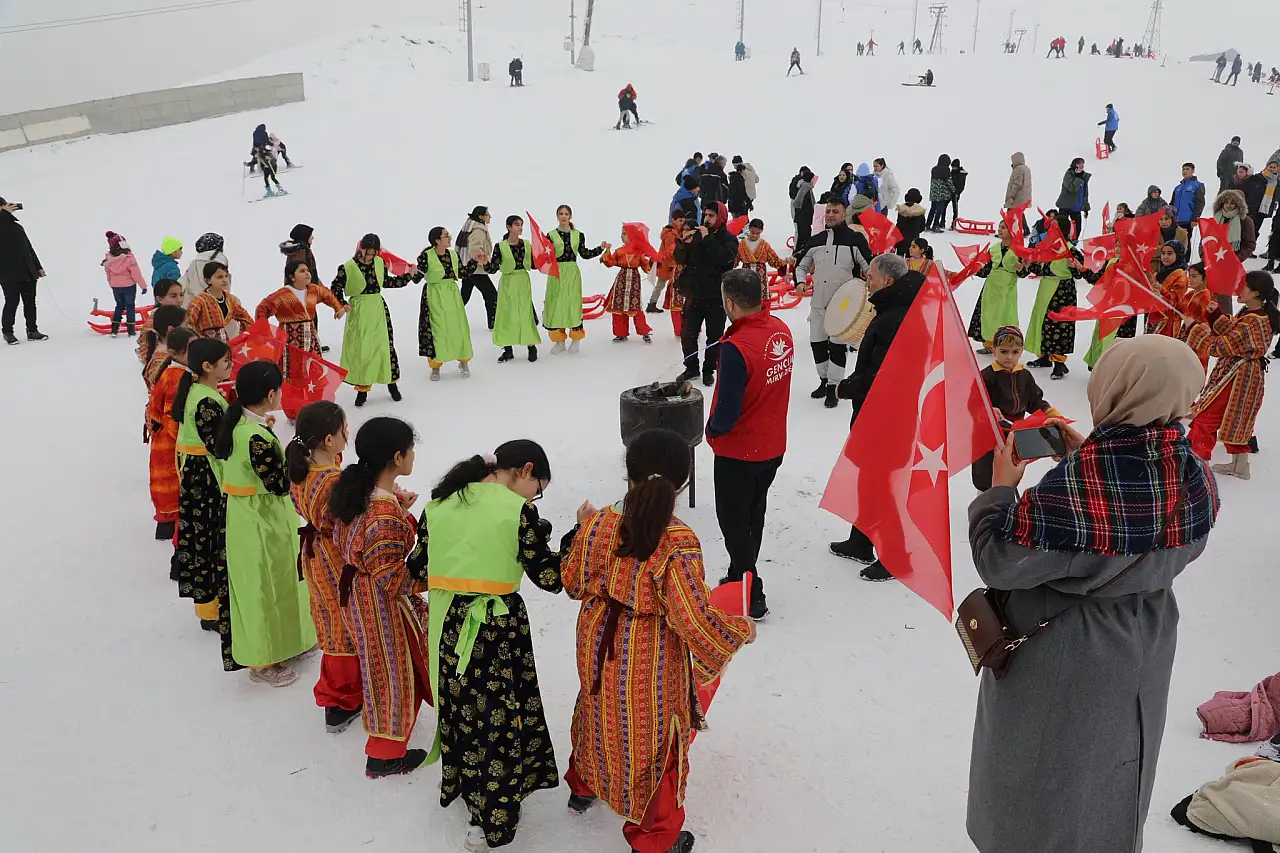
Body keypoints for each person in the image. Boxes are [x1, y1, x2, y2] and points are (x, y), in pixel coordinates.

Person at [966, 334, 1219, 853]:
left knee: (1041, 771)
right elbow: (1149, 523)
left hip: (1065, 646)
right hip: (1147, 637)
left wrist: (999, 489)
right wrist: (1087, 453)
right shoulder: (1194, 474)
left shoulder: (1077, 488)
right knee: (1118, 763)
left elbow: (998, 560)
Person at [562, 428, 755, 853]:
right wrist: (739, 629)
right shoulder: (677, 540)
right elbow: (692, 617)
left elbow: (572, 581)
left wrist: (580, 532)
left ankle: (584, 786)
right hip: (647, 650)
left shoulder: (598, 523)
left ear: (628, 470)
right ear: (681, 482)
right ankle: (653, 840)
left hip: (596, 635)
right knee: (652, 736)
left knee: (598, 708)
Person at [410, 441, 577, 851]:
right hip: (497, 627)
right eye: (538, 488)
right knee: (499, 717)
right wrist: (578, 533)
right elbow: (552, 577)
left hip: (449, 622)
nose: (534, 496)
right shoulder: (517, 511)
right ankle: (495, 814)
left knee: (463, 710)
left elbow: (417, 567)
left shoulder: (439, 506)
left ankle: (469, 791)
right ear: (526, 470)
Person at [329, 416, 432, 778]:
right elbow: (393, 579)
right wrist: (434, 580)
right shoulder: (382, 512)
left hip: (358, 592)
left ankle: (386, 745)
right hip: (379, 602)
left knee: (382, 669)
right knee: (391, 672)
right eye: (411, 450)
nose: (413, 456)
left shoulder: (357, 493)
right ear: (397, 457)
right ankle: (384, 755)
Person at [212, 360, 316, 686]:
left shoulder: (241, 425)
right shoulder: (254, 437)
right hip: (260, 519)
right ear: (271, 394)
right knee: (263, 586)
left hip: (250, 514)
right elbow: (279, 483)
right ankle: (263, 659)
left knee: (279, 579)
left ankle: (287, 642)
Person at [830, 254, 924, 579]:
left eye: (871, 276)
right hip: (881, 415)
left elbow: (886, 377)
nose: (866, 280)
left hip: (888, 419)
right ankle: (861, 541)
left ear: (887, 281)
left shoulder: (896, 319)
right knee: (869, 480)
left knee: (881, 486)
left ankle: (897, 557)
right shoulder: (893, 311)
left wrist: (847, 387)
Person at [707, 268, 793, 619]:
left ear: (730, 303)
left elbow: (727, 411)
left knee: (733, 521)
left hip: (739, 450)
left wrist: (713, 430)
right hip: (771, 444)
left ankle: (752, 590)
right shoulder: (780, 330)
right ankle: (738, 573)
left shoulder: (736, 348)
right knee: (753, 514)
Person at [285, 401, 363, 735]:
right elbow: (349, 525)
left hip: (315, 554)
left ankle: (338, 695)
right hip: (336, 557)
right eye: (344, 430)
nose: (347, 435)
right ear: (329, 440)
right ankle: (343, 700)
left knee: (329, 619)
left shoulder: (303, 470)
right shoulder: (332, 482)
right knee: (346, 622)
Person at [1187, 271, 1280, 478]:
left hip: (1237, 376)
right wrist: (1216, 315)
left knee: (1206, 418)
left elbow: (1221, 346)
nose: (1238, 289)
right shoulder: (1254, 313)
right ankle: (1240, 466)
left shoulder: (1253, 321)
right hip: (1244, 374)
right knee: (1236, 419)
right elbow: (1234, 332)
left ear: (1255, 293)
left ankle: (1198, 468)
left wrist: (1194, 328)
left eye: (1243, 285)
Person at [171, 338, 233, 644]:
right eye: (225, 362)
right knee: (210, 540)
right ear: (207, 366)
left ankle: (209, 607)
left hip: (196, 475)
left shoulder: (198, 391)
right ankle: (213, 609)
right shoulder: (206, 401)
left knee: (202, 539)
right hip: (206, 479)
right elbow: (220, 446)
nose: (230, 366)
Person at [792, 195, 872, 408]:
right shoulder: (815, 240)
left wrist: (870, 287)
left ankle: (833, 388)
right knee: (817, 344)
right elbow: (801, 266)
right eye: (828, 211)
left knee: (837, 346)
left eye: (835, 211)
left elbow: (869, 268)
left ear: (844, 214)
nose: (830, 215)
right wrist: (800, 282)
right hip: (818, 303)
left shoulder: (855, 240)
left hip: (843, 306)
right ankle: (823, 380)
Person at [971, 326, 1059, 491]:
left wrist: (1050, 412)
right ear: (993, 349)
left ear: (1021, 351)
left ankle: (1006, 495)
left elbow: (1035, 401)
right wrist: (987, 411)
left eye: (1015, 352)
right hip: (990, 434)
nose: (1009, 357)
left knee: (1010, 469)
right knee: (987, 473)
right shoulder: (986, 376)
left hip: (1014, 433)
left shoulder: (1024, 375)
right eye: (1003, 351)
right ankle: (984, 500)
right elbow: (973, 404)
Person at [255, 260, 346, 419]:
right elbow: (262, 309)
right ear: (292, 276)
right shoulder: (281, 295)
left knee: (315, 373)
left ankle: (315, 406)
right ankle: (294, 411)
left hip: (311, 340)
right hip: (290, 344)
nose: (307, 273)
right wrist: (263, 331)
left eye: (307, 270)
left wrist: (337, 308)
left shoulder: (313, 290)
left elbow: (327, 295)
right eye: (302, 271)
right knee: (293, 377)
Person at [334, 234, 417, 407]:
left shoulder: (379, 263)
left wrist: (407, 276)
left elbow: (387, 282)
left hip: (378, 309)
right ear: (361, 249)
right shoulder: (347, 267)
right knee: (363, 349)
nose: (370, 256)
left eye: (374, 253)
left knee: (384, 346)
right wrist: (341, 303)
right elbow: (335, 288)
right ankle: (362, 389)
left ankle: (391, 384)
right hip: (359, 311)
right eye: (368, 252)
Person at [674, 201, 738, 385]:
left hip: (717, 297)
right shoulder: (697, 236)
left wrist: (707, 238)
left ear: (721, 217)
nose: (707, 219)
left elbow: (725, 259)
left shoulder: (729, 239)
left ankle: (709, 369)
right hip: (694, 295)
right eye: (706, 215)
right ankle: (691, 367)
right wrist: (682, 244)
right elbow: (680, 260)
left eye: (711, 215)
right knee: (688, 335)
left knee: (714, 337)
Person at [146, 327, 196, 542]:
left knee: (166, 485)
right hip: (171, 443)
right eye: (191, 349)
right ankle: (170, 529)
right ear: (175, 353)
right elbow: (171, 417)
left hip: (164, 440)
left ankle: (167, 526)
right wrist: (187, 442)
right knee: (173, 484)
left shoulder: (174, 372)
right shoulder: (177, 377)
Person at [1023, 215, 1083, 379]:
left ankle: (1059, 363)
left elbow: (1080, 273)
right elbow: (1042, 269)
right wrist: (1029, 264)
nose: (1051, 230)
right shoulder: (1048, 248)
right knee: (1042, 321)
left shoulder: (1070, 250)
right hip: (1046, 288)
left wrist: (1074, 267)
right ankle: (1044, 356)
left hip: (1063, 291)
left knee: (1059, 325)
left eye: (1054, 227)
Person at [542, 205, 607, 353]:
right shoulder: (550, 235)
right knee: (556, 305)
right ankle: (559, 341)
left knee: (572, 305)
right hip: (556, 273)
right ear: (557, 216)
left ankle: (576, 338)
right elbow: (545, 256)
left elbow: (584, 254)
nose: (563, 216)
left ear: (570, 216)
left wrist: (600, 249)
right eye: (561, 213)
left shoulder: (578, 235)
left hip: (572, 273)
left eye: (566, 214)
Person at [417, 226, 477, 381]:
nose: (450, 238)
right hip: (434, 296)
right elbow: (416, 277)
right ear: (437, 240)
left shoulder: (453, 255)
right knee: (437, 330)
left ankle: (463, 361)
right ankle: (435, 365)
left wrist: (475, 261)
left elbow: (462, 272)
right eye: (446, 236)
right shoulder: (426, 256)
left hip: (452, 295)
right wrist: (409, 271)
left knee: (458, 328)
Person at [481, 215, 542, 363]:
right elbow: (493, 268)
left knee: (525, 313)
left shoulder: (526, 244)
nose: (520, 227)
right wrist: (485, 262)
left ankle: (531, 346)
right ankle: (507, 349)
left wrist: (543, 257)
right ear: (509, 227)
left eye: (521, 224)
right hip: (508, 283)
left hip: (523, 282)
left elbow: (534, 264)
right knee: (507, 314)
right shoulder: (500, 246)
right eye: (516, 224)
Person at [968, 220, 1029, 354]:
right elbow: (986, 270)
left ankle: (1005, 344)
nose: (1000, 230)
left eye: (1003, 228)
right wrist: (974, 269)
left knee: (1005, 316)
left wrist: (1021, 269)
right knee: (988, 315)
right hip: (990, 288)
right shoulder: (994, 249)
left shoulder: (1018, 250)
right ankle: (989, 344)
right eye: (999, 227)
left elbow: (1024, 273)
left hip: (1007, 289)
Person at [0, 198, 45, 345]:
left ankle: (32, 330)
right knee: (12, 302)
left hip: (27, 271)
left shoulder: (17, 227)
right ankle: (8, 332)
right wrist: (4, 214)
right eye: (3, 206)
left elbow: (28, 248)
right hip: (8, 273)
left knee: (30, 302)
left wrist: (38, 266)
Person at [600, 229, 654, 343]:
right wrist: (607, 251)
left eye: (624, 234)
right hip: (621, 281)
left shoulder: (639, 252)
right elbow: (610, 263)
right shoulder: (619, 251)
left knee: (635, 306)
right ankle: (621, 333)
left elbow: (646, 266)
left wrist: (652, 261)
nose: (621, 236)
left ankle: (644, 331)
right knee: (618, 307)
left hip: (634, 282)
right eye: (622, 234)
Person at [187, 262, 253, 341]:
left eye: (226, 276)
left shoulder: (229, 298)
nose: (224, 280)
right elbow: (189, 324)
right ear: (208, 280)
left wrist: (252, 332)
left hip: (224, 341)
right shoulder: (199, 301)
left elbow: (244, 316)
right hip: (205, 343)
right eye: (219, 277)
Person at [456, 206, 497, 330]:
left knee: (464, 296)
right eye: (487, 214)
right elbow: (475, 248)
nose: (490, 216)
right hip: (476, 270)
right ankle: (494, 322)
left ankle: (448, 316)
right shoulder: (478, 230)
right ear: (481, 216)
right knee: (491, 295)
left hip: (468, 267)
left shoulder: (470, 226)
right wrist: (484, 261)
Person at [101, 231, 148, 337]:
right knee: (130, 306)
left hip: (116, 287)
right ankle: (131, 330)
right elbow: (136, 274)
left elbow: (108, 274)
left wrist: (112, 284)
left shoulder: (108, 259)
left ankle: (114, 329)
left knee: (119, 306)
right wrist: (143, 286)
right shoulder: (129, 258)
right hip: (129, 286)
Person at [736, 219, 788, 302]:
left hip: (761, 276)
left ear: (761, 231)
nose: (755, 235)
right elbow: (735, 259)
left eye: (757, 233)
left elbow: (774, 259)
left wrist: (784, 262)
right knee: (746, 297)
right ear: (749, 229)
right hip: (746, 275)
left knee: (761, 298)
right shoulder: (741, 244)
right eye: (753, 233)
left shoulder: (765, 245)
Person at [1147, 240, 1189, 337]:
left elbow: (1176, 302)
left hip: (1168, 322)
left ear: (1178, 254)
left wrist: (1161, 293)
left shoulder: (1181, 276)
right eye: (1163, 253)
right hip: (1154, 317)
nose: (1165, 256)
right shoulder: (1160, 273)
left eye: (1169, 253)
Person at [141, 304, 188, 391]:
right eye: (186, 325)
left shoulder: (162, 350)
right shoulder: (163, 357)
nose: (190, 328)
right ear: (171, 329)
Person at [647, 209, 685, 313]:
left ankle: (654, 303)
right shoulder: (671, 234)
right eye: (680, 221)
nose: (682, 223)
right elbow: (670, 250)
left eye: (683, 221)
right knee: (662, 284)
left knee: (664, 284)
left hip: (668, 263)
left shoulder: (677, 231)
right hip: (667, 263)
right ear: (673, 220)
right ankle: (653, 303)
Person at [180, 233, 229, 307]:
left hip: (191, 306)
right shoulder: (221, 263)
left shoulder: (194, 264)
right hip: (216, 307)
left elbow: (181, 285)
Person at [1213, 188, 1258, 265]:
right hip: (1212, 259)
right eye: (1226, 202)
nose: (1228, 206)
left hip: (1232, 261)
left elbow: (1249, 245)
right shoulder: (1216, 218)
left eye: (1232, 203)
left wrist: (1236, 259)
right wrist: (1204, 256)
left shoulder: (1245, 221)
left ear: (1239, 205)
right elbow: (1205, 239)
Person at [1172, 163, 1207, 247]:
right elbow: (1172, 203)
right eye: (1183, 169)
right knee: (1174, 243)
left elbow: (1200, 203)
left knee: (1185, 243)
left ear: (1193, 171)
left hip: (1187, 220)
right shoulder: (1177, 188)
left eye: (1187, 169)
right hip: (1175, 220)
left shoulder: (1198, 185)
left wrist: (1195, 218)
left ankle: (1186, 256)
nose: (1185, 171)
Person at [1055, 158, 1091, 239]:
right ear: (1074, 165)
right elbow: (1072, 188)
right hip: (1066, 206)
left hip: (1077, 208)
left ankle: (1072, 244)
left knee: (1077, 229)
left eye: (1082, 164)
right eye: (1079, 164)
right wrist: (1077, 177)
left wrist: (1085, 207)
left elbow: (1084, 193)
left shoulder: (1083, 176)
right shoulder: (1069, 174)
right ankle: (1062, 243)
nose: (1082, 166)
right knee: (1063, 228)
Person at [249, 124, 286, 196]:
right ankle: (269, 192)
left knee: (273, 178)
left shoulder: (265, 152)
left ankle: (281, 189)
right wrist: (247, 164)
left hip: (272, 166)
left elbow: (272, 158)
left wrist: (269, 159)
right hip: (267, 167)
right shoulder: (259, 154)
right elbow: (254, 161)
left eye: (256, 150)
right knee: (265, 178)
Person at [789, 167, 817, 256]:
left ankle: (803, 251)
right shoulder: (802, 185)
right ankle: (796, 253)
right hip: (801, 215)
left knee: (805, 234)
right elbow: (796, 201)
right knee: (800, 233)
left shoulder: (806, 186)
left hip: (804, 215)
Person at [926, 154, 955, 232]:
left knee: (932, 210)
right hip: (942, 195)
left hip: (934, 194)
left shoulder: (934, 169)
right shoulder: (946, 170)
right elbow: (948, 182)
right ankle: (935, 226)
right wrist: (953, 190)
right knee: (939, 211)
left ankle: (927, 225)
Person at [894, 188, 927, 254]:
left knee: (899, 258)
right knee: (911, 259)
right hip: (914, 241)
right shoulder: (920, 211)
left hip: (901, 240)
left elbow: (898, 225)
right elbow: (922, 227)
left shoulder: (901, 210)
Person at [1004, 153, 1033, 224]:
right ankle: (1024, 229)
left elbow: (1017, 184)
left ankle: (1011, 229)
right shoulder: (1026, 169)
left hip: (1016, 198)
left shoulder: (1018, 169)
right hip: (1024, 198)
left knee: (1011, 214)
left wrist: (1010, 196)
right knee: (1019, 214)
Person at [949, 158, 968, 229]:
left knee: (955, 209)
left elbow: (961, 186)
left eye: (954, 167)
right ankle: (942, 222)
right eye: (952, 167)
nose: (953, 168)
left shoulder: (961, 174)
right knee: (944, 207)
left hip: (956, 193)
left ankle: (953, 224)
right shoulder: (952, 172)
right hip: (949, 192)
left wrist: (957, 193)